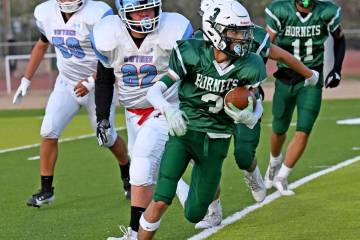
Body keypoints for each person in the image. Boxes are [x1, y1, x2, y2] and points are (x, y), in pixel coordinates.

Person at [175, 0, 320, 229]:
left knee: (243, 155)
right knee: (206, 162)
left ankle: (252, 172)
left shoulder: (250, 35)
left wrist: (308, 73)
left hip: (244, 106)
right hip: (210, 113)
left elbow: (281, 56)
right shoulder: (197, 43)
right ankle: (213, 210)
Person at [137, 1, 267, 239]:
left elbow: (255, 102)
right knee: (161, 199)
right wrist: (168, 109)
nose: (242, 38)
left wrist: (251, 116)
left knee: (194, 213)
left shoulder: (250, 64)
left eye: (244, 32)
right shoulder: (192, 52)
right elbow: (154, 91)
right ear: (214, 31)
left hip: (217, 139)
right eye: (235, 32)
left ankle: (205, 198)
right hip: (185, 133)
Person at [12, 0, 130, 208]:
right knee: (48, 131)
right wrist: (26, 79)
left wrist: (92, 80)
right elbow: (41, 45)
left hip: (98, 85)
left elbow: (113, 55)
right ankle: (46, 190)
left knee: (107, 137)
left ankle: (127, 174)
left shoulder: (98, 13)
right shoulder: (46, 12)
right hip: (66, 82)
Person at [91, 0, 193, 239]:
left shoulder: (173, 29)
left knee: (140, 167)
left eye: (149, 8)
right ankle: (211, 203)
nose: (146, 15)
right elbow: (104, 79)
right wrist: (102, 118)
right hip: (133, 113)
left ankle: (135, 233)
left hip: (166, 107)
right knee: (185, 162)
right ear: (124, 14)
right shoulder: (110, 35)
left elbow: (193, 66)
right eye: (138, 12)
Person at [264, 0, 346, 195]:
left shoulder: (327, 11)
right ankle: (274, 161)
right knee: (279, 128)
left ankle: (282, 177)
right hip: (285, 77)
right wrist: (254, 80)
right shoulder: (280, 11)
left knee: (304, 129)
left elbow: (339, 38)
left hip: (312, 77)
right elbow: (266, 45)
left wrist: (337, 69)